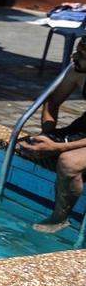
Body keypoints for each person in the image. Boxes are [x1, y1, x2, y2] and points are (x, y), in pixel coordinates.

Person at [16, 38, 86, 233]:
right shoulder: (78, 71)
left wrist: (57, 148)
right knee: (27, 145)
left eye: (83, 50)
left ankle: (60, 217)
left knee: (69, 162)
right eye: (81, 43)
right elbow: (52, 102)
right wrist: (48, 134)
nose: (76, 53)